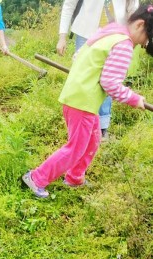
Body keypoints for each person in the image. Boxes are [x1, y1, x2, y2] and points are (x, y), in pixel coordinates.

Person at [22, 4, 153, 198]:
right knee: (75, 147)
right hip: (82, 101)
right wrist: (134, 99)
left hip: (80, 98)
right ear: (140, 25)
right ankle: (36, 178)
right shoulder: (124, 44)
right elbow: (110, 83)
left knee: (92, 140)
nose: (143, 45)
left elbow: (80, 53)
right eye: (146, 39)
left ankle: (75, 178)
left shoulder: (111, 31)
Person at [56, 0, 139, 140]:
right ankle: (81, 126)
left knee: (108, 80)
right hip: (86, 31)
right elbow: (69, 4)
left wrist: (133, 37)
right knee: (84, 80)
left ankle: (102, 128)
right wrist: (62, 37)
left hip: (117, 33)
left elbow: (133, 9)